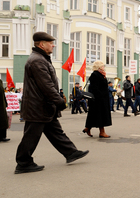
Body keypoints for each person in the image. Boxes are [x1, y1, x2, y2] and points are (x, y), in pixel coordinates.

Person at [15, 32, 88, 174]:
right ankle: (23, 163)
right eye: (50, 43)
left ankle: (71, 152)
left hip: (43, 106)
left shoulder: (40, 58)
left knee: (56, 131)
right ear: (41, 44)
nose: (53, 45)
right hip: (38, 106)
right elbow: (46, 85)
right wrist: (59, 101)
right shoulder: (37, 60)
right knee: (31, 136)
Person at [82, 61, 112, 138]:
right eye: (102, 66)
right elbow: (94, 88)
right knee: (100, 115)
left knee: (94, 114)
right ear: (98, 67)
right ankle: (102, 132)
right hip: (98, 99)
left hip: (102, 98)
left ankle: (88, 128)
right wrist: (100, 96)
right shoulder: (95, 75)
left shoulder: (102, 75)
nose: (104, 67)